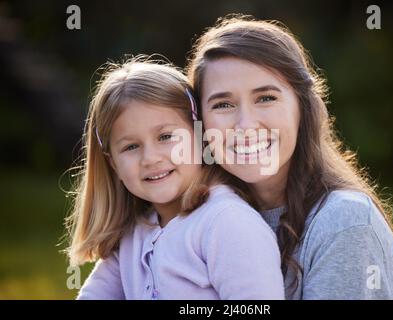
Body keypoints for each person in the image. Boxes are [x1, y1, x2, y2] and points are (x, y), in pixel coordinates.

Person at [186, 15, 393, 299]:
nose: (246, 125)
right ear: (201, 123)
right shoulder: (206, 221)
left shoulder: (344, 221)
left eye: (266, 98)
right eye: (223, 104)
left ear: (302, 108)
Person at [64, 56, 284, 299]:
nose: (150, 158)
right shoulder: (134, 234)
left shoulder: (226, 222)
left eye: (166, 137)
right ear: (113, 163)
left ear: (201, 136)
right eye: (131, 147)